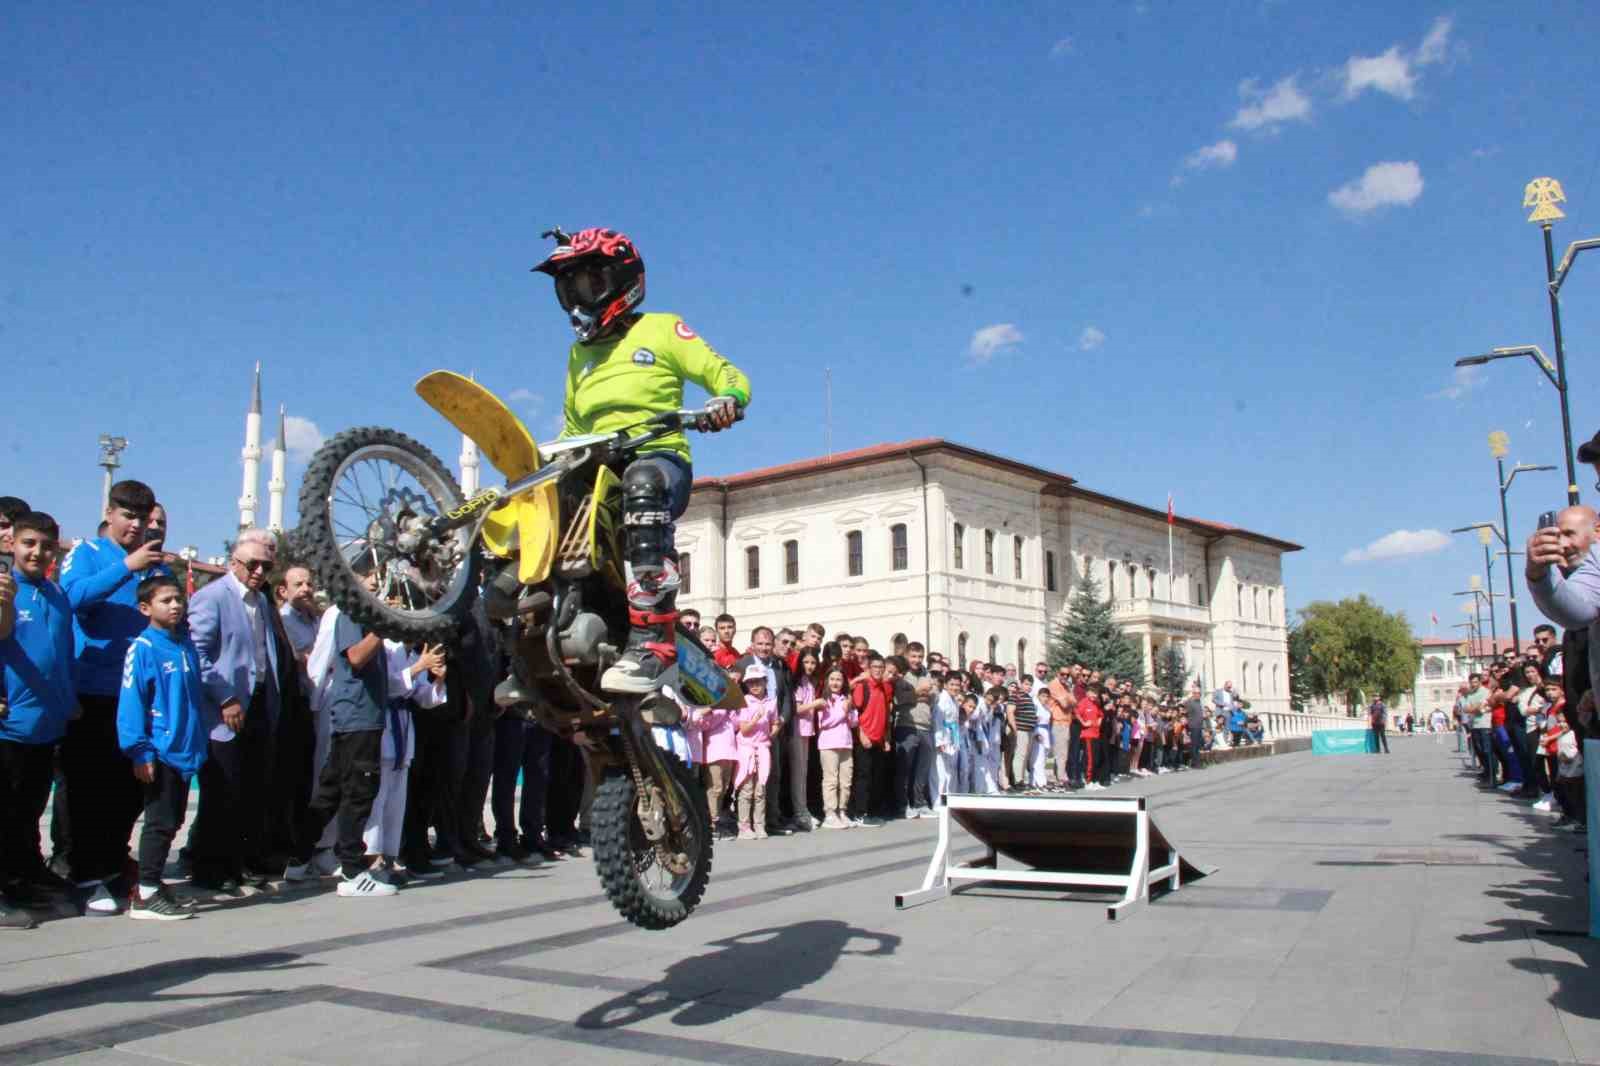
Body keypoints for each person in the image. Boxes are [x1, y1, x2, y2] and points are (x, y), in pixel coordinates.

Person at [532, 227, 750, 694]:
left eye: (587, 286)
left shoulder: (663, 328)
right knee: (537, 504)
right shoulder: (579, 354)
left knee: (643, 480)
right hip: (597, 467)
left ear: (620, 280)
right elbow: (573, 427)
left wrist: (726, 400)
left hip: (658, 457)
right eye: (567, 290)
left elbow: (725, 373)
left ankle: (655, 647)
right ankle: (530, 646)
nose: (576, 300)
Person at [60, 479, 169, 915]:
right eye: (128, 516)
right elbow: (73, 597)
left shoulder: (155, 565)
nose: (136, 526)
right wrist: (127, 565)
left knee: (129, 791)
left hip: (138, 698)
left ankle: (110, 866)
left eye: (143, 519)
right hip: (93, 690)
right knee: (89, 788)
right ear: (109, 512)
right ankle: (83, 876)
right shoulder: (86, 552)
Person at [186, 529, 303, 891]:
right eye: (251, 564)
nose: (258, 571)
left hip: (260, 706)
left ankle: (238, 866)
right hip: (225, 711)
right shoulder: (212, 597)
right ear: (234, 563)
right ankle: (210, 870)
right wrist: (225, 697)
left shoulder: (261, 602)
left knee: (252, 791)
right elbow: (198, 654)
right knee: (223, 790)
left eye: (266, 566)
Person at [116, 575, 209, 920]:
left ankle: (153, 885)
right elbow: (131, 701)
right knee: (159, 820)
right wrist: (140, 751)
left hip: (186, 750)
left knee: (173, 820)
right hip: (160, 749)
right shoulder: (143, 648)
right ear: (145, 608)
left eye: (178, 599)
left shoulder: (184, 645)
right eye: (165, 600)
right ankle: (145, 893)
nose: (175, 606)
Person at [0, 512, 75, 928]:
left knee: (27, 811)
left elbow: (62, 654)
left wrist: (68, 701)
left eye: (46, 545)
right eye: (30, 543)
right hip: (9, 724)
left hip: (45, 724)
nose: (38, 552)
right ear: (12, 543)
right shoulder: (5, 588)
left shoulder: (56, 594)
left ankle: (21, 878)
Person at [733, 664, 778, 840]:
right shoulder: (744, 701)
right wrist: (756, 719)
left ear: (765, 682)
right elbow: (743, 729)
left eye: (758, 681)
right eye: (751, 682)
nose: (755, 685)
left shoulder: (771, 702)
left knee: (761, 790)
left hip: (763, 749)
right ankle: (744, 827)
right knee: (746, 790)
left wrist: (772, 733)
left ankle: (759, 825)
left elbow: (775, 722)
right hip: (746, 750)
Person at [848, 652, 890, 826]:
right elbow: (853, 712)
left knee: (876, 778)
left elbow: (886, 714)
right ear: (869, 668)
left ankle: (871, 812)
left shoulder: (884, 688)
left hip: (879, 740)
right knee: (862, 777)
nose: (878, 670)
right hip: (864, 739)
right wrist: (861, 734)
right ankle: (859, 813)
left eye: (881, 667)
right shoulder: (862, 687)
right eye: (875, 667)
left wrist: (887, 738)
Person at [815, 666, 856, 828]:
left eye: (838, 679)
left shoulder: (846, 698)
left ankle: (842, 811)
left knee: (846, 780)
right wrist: (842, 713)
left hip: (846, 743)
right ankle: (830, 813)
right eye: (832, 679)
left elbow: (854, 722)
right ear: (826, 681)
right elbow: (823, 723)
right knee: (831, 780)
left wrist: (849, 711)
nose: (835, 682)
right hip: (828, 744)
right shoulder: (823, 699)